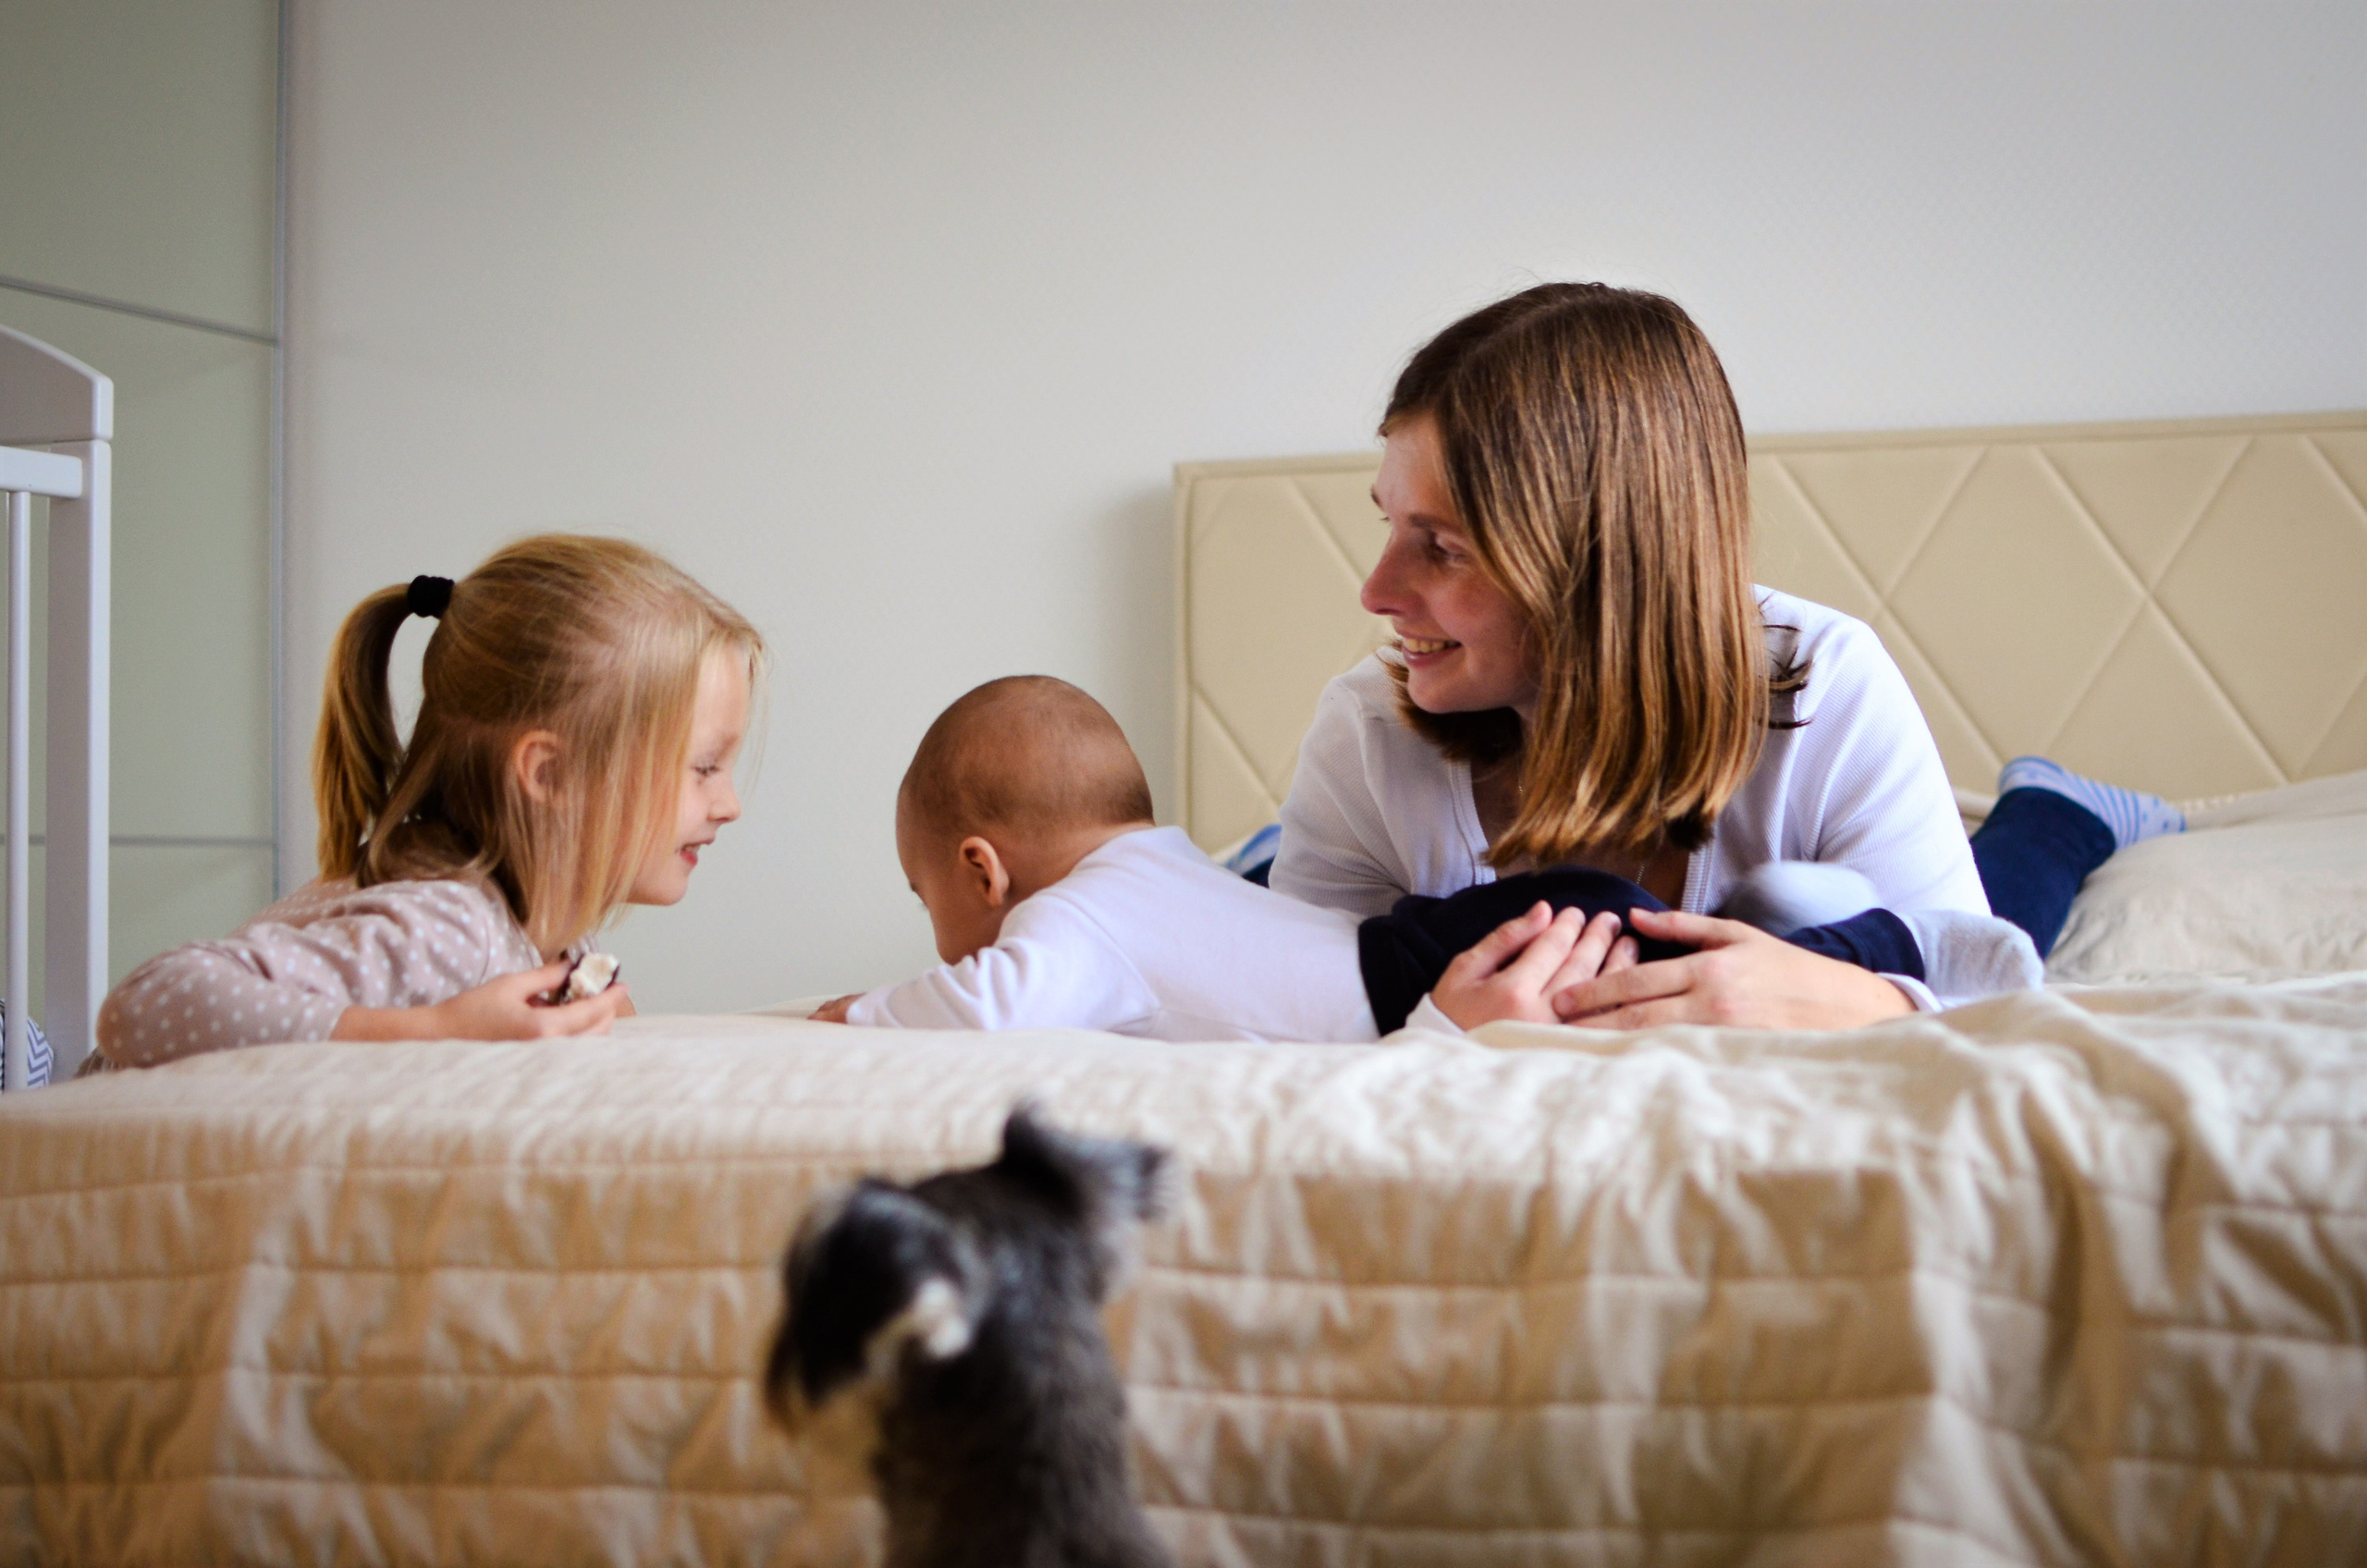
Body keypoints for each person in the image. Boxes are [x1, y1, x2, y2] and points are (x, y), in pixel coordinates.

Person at [1269, 281, 2152, 1032]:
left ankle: (2057, 811)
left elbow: (1982, 998)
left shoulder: (1829, 691)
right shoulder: (1368, 730)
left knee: (2010, 919)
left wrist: (1847, 998)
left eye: (1443, 547)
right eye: (1389, 522)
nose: (1375, 592)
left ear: (1603, 563)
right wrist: (1438, 1028)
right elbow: (1272, 1020)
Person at [812, 677, 2030, 1041]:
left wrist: (850, 1015)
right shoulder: (1162, 866)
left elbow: (989, 1009)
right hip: (1446, 932)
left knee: (1654, 984)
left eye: (926, 901)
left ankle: (1901, 939)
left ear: (984, 870)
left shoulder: (1065, 924)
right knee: (1651, 955)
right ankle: (1808, 924)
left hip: (1434, 960)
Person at [92, 535, 763, 1067]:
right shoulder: (446, 927)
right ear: (551, 776)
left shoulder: (543, 927)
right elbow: (144, 1004)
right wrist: (432, 1030)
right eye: (703, 767)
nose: (728, 803)